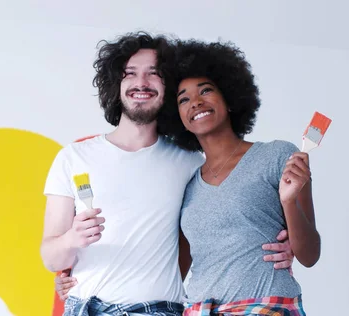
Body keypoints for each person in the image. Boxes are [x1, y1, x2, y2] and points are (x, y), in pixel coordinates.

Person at [54, 38, 320, 315]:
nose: (196, 103)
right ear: (176, 114)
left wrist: (289, 205)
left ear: (230, 98)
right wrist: (84, 278)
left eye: (206, 91)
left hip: (265, 306)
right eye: (183, 99)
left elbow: (310, 254)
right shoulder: (189, 177)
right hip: (198, 308)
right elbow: (173, 263)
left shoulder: (278, 156)